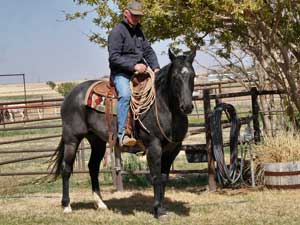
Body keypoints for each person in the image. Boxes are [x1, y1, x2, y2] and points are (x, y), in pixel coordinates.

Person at [108, 1, 160, 146]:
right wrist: (133, 66)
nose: (137, 19)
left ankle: (152, 130)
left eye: (139, 16)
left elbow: (148, 50)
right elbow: (114, 57)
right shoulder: (117, 32)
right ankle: (122, 134)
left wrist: (156, 67)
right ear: (126, 13)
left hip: (140, 72)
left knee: (156, 91)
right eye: (134, 16)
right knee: (125, 95)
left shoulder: (139, 31)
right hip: (122, 73)